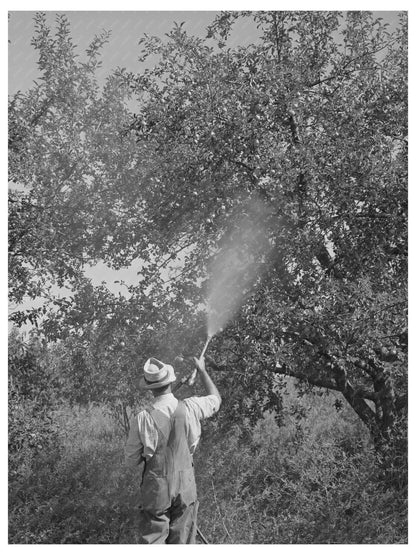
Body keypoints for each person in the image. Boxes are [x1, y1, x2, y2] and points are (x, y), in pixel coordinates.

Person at [125, 355, 221, 544]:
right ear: (170, 381)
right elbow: (215, 399)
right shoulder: (191, 406)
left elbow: (131, 460)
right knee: (183, 541)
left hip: (156, 487)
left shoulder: (142, 418)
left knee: (153, 542)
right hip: (185, 484)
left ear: (150, 388)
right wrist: (202, 371)